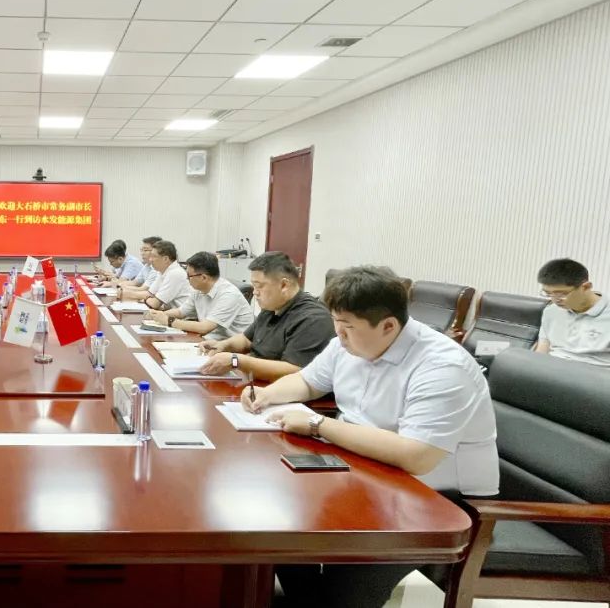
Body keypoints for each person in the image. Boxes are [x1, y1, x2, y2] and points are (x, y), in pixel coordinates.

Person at [244, 266, 498, 608]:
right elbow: (308, 381)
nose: (339, 336)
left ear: (389, 326)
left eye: (347, 327)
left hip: (434, 499)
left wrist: (318, 425)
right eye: (336, 324)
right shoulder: (349, 344)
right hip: (364, 473)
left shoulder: (442, 367)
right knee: (274, 516)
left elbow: (416, 456)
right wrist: (266, 395)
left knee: (343, 590)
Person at [198, 251, 334, 379]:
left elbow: (294, 370)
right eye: (253, 286)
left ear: (284, 285)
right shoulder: (272, 306)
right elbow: (246, 340)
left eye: (259, 286)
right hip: (255, 381)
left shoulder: (313, 319)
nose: (255, 292)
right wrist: (223, 345)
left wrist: (236, 361)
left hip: (281, 390)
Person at [144, 251, 253, 340]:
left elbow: (204, 327)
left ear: (204, 278)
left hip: (232, 348)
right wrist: (158, 315)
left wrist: (169, 321)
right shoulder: (198, 290)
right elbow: (181, 312)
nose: (187, 279)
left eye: (189, 276)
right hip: (209, 340)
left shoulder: (229, 295)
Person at [534, 258, 609, 367]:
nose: (555, 300)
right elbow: (542, 350)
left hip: (594, 373)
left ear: (586, 287)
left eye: (561, 294)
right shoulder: (551, 311)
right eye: (548, 293)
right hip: (552, 370)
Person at [138, 240, 191, 310]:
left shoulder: (175, 273)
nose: (150, 260)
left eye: (154, 256)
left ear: (165, 259)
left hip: (180, 315)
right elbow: (150, 294)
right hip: (169, 311)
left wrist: (146, 299)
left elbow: (154, 304)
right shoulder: (162, 271)